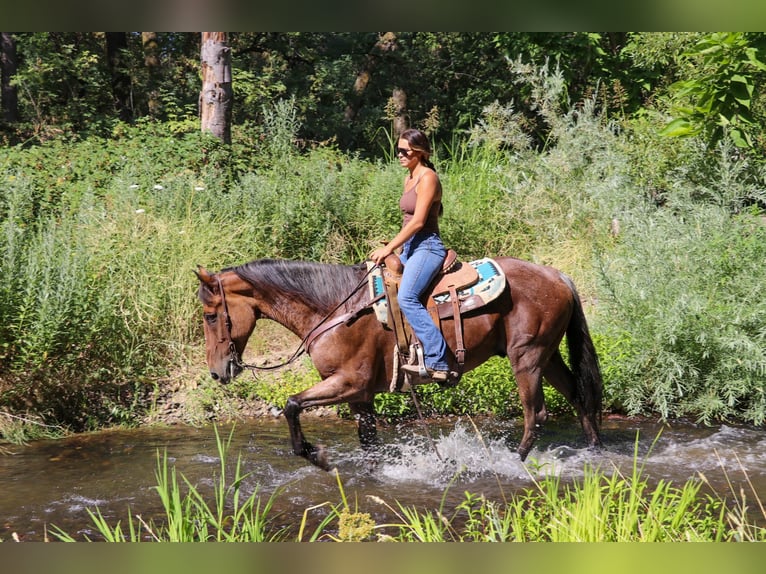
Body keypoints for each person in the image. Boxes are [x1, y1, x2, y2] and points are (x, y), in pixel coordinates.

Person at [370, 129, 451, 382]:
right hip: (411, 247)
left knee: (407, 297)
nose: (399, 155)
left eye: (404, 151)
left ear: (420, 152)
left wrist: (388, 248)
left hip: (427, 247)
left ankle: (439, 360)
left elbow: (417, 222)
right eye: (398, 150)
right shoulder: (410, 178)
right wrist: (396, 246)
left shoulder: (428, 178)